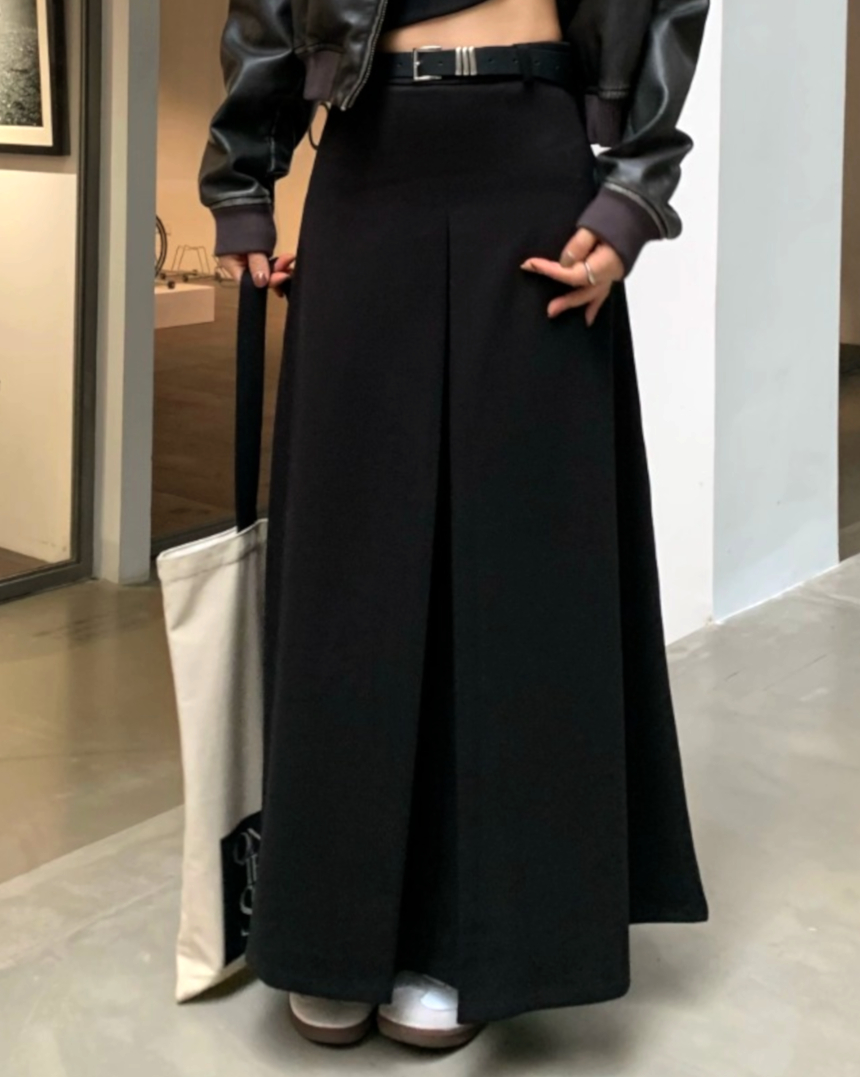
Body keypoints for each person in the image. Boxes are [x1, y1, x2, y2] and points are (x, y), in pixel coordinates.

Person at [199, 0, 710, 1052]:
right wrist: (243, 183)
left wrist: (632, 195)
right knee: (350, 563)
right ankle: (333, 929)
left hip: (532, 157)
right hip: (368, 158)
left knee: (518, 565)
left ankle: (478, 935)